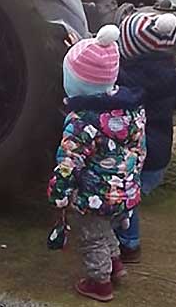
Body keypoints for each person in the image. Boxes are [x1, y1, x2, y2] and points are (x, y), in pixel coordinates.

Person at [47, 25, 146, 302]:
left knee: (93, 238)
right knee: (107, 232)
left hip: (95, 198)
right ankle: (116, 265)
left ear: (75, 83)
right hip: (125, 192)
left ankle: (99, 282)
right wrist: (132, 178)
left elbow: (69, 162)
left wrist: (59, 192)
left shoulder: (81, 121)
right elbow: (140, 149)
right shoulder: (133, 111)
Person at [115, 12, 176, 263]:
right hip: (159, 158)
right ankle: (123, 239)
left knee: (123, 199)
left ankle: (128, 245)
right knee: (129, 198)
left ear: (130, 48)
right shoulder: (171, 76)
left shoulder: (126, 77)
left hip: (136, 156)